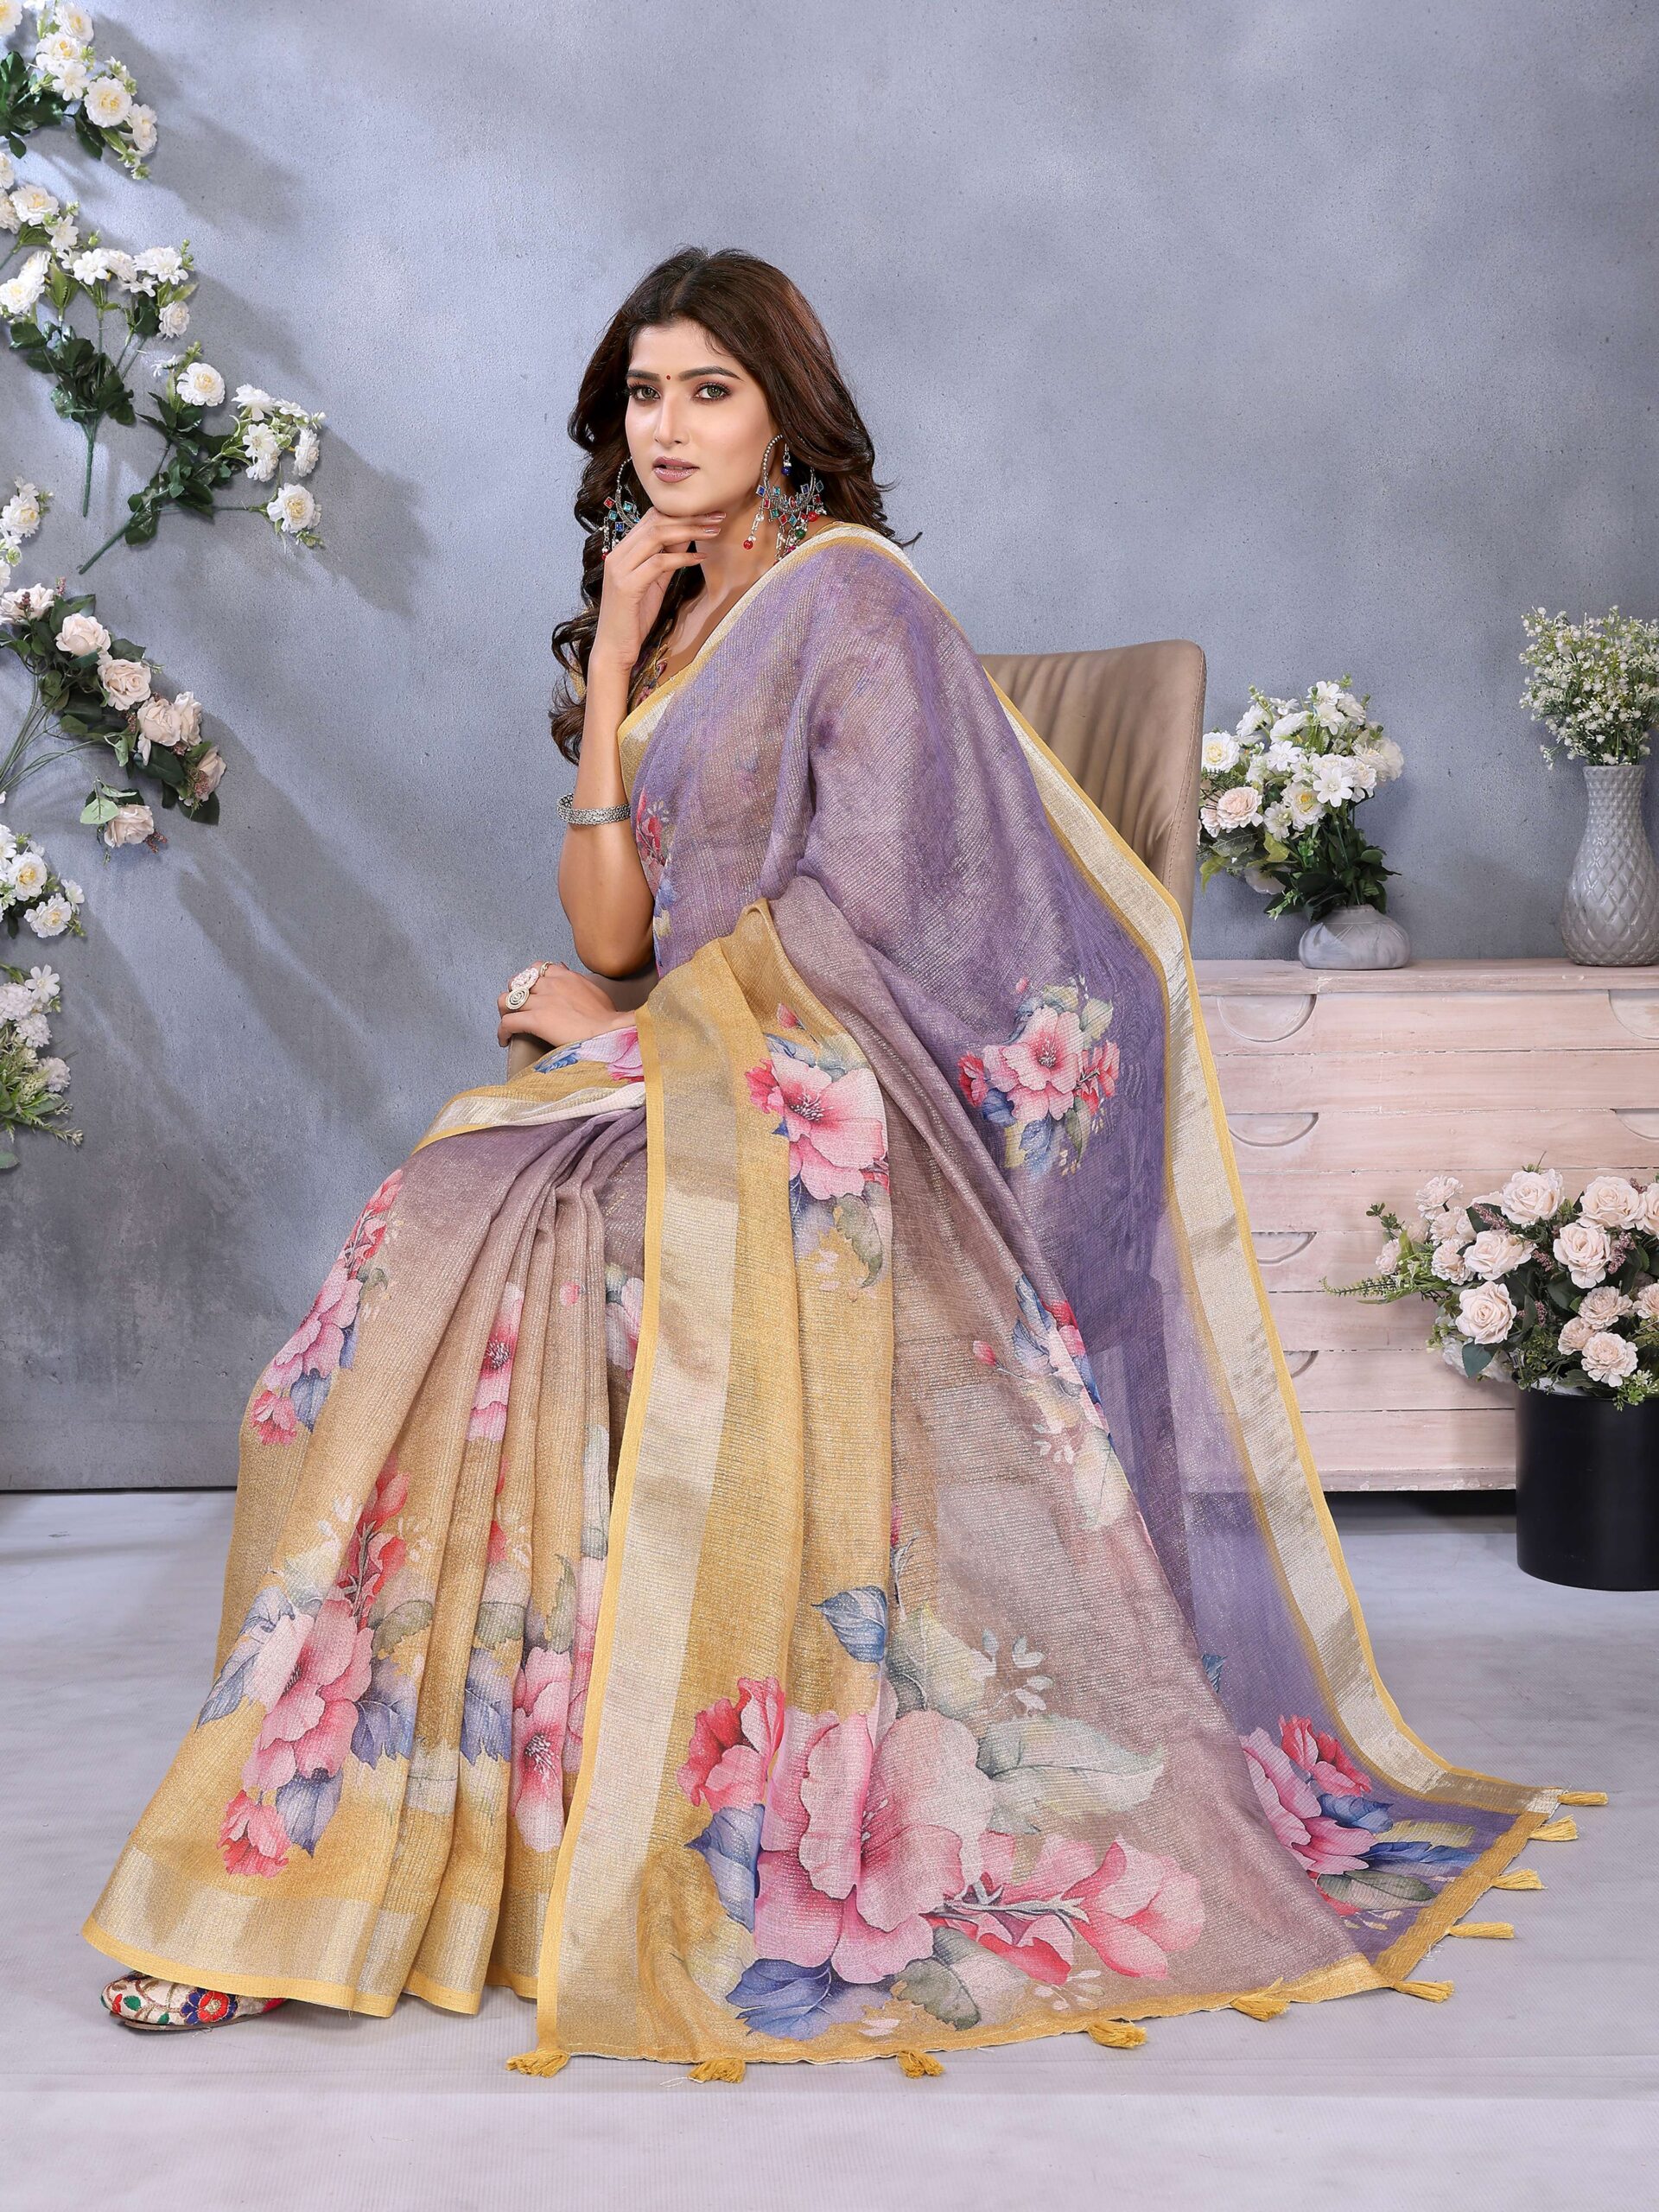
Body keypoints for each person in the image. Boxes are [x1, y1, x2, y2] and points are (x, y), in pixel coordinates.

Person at [88, 247, 1567, 2072]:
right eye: (645, 394)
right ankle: (400, 1839)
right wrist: (612, 664)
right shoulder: (671, 613)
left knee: (527, 1244)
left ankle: (438, 1846)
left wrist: (627, 1034)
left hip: (853, 1119)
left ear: (784, 412)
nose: (671, 426)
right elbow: (619, 921)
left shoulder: (853, 599)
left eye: (709, 389)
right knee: (442, 1216)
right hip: (711, 1076)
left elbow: (892, 927)